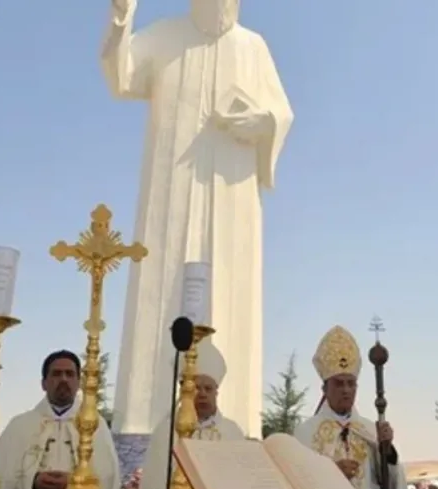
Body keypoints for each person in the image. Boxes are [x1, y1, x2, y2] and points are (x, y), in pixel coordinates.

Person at [103, 0, 295, 440]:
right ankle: (143, 428)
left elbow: (281, 113)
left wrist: (262, 123)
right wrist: (120, 17)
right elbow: (122, 76)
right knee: (159, 289)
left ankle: (235, 423)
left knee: (233, 296)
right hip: (168, 200)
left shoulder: (253, 48)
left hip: (233, 200)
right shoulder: (165, 36)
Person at [293, 326, 413, 489]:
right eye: (339, 383)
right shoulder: (305, 434)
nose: (346, 390)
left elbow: (391, 485)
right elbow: (298, 488)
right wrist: (332, 473)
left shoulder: (370, 431)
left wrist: (388, 452)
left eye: (351, 383)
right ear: (324, 388)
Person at [0, 350, 121, 489]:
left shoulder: (96, 425)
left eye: (69, 374)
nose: (63, 379)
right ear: (44, 382)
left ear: (78, 382)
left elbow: (109, 476)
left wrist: (74, 483)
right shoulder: (20, 426)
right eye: (56, 374)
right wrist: (33, 480)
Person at [131, 341, 245, 489]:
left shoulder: (232, 433)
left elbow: (241, 488)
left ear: (216, 392)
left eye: (208, 388)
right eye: (195, 388)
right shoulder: (165, 432)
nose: (201, 394)